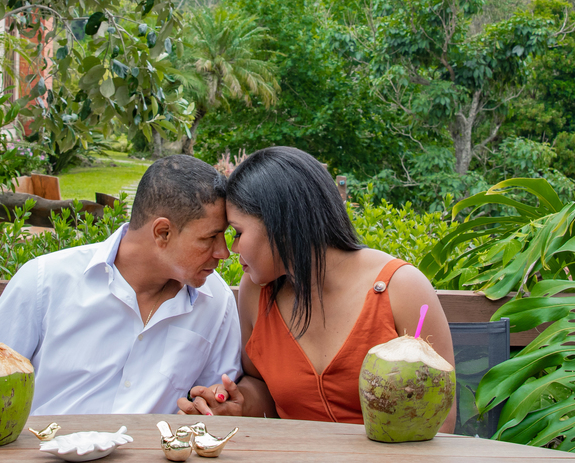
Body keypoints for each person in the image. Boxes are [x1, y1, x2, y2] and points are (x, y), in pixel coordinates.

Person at [0, 155, 242, 422]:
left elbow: (215, 407)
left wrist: (219, 405)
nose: (223, 252)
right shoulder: (47, 282)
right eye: (209, 238)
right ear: (162, 233)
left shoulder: (216, 303)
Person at [179, 146, 456, 432]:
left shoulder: (401, 288)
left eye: (237, 232)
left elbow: (441, 417)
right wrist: (238, 403)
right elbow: (260, 385)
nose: (230, 249)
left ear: (281, 224)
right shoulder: (256, 292)